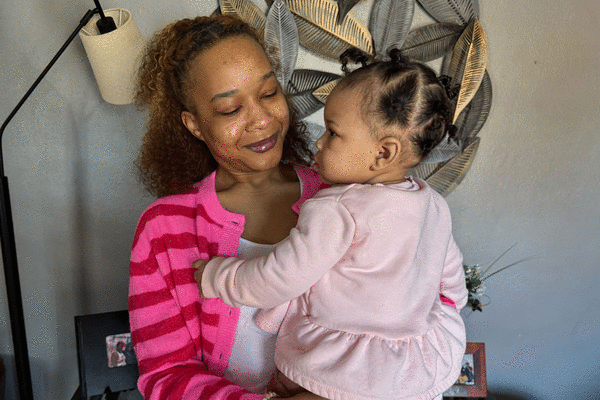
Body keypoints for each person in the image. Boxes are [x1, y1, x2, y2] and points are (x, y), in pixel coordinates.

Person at [195, 48, 469, 400]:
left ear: (383, 153)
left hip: (346, 366)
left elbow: (280, 278)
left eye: (333, 133)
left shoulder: (337, 209)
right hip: (412, 362)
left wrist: (217, 276)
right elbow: (452, 285)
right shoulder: (433, 203)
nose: (319, 142)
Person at [128, 15, 328, 400]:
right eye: (230, 109)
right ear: (194, 125)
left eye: (268, 93)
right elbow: (165, 376)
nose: (261, 119)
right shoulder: (163, 229)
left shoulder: (339, 198)